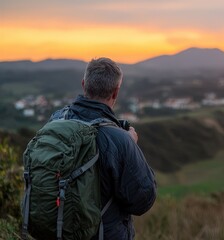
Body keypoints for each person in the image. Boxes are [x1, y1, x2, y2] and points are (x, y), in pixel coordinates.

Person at [49, 57, 157, 239]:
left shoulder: (56, 120)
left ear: (84, 85)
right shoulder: (120, 140)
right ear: (115, 92)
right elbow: (142, 200)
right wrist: (130, 145)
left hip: (56, 230)